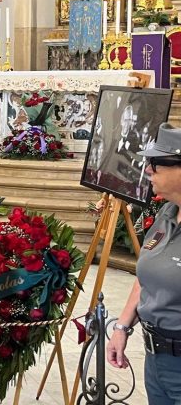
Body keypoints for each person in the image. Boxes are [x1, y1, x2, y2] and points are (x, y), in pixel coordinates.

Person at [107, 122, 181, 404]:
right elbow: (147, 276)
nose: (148, 170)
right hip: (156, 360)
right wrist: (122, 326)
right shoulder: (167, 213)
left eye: (156, 164)